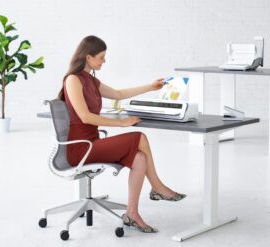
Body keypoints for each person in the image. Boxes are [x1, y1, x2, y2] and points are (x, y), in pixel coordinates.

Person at [58, 35, 186, 233]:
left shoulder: (91, 80)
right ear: (88, 57)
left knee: (140, 158)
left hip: (93, 142)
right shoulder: (73, 80)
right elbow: (85, 117)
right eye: (101, 57)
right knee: (139, 137)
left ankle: (132, 213)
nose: (104, 61)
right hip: (81, 147)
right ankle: (157, 187)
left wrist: (150, 86)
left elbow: (118, 94)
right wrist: (122, 123)